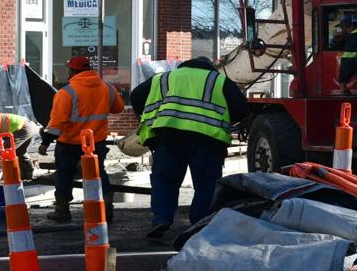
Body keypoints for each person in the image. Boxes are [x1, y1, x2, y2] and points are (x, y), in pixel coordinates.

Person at [129, 55, 250, 242]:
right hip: (208, 140)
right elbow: (242, 109)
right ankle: (199, 224)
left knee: (165, 180)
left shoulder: (165, 78)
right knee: (206, 184)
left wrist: (146, 116)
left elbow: (136, 96)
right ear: (209, 67)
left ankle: (161, 219)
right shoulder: (218, 80)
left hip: (168, 135)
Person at [39, 55, 125, 224]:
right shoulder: (107, 88)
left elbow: (57, 122)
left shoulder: (67, 92)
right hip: (95, 142)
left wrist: (45, 142)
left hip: (69, 144)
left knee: (65, 175)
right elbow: (118, 108)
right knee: (98, 173)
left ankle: (62, 210)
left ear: (72, 70)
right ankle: (106, 207)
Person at [0, 113, 38, 182]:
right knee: (20, 152)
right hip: (31, 126)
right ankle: (27, 175)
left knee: (1, 152)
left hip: (23, 128)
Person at [329, 12, 357, 95]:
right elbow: (335, 46)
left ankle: (344, 90)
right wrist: (336, 40)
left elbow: (348, 61)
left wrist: (343, 83)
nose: (341, 30)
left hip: (351, 67)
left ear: (351, 27)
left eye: (342, 27)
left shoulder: (354, 37)